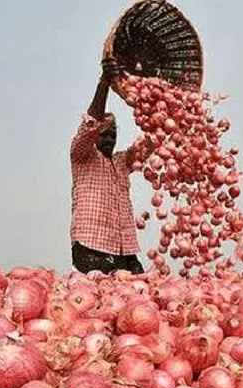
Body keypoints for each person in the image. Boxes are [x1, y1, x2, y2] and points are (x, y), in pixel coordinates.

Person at [69, 58, 152, 275]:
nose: (109, 139)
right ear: (95, 136)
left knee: (141, 289)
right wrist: (104, 84)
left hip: (125, 251)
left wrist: (161, 112)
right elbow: (90, 123)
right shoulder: (82, 156)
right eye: (104, 134)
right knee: (103, 291)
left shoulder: (121, 162)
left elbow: (150, 144)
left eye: (113, 135)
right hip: (91, 247)